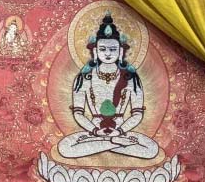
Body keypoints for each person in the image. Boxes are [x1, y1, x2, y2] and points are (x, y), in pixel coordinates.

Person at [57, 12, 159, 159]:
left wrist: (120, 131)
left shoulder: (130, 77)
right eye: (103, 49)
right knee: (65, 147)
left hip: (121, 131)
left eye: (112, 49)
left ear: (121, 51)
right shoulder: (85, 77)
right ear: (95, 51)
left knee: (151, 149)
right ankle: (113, 144)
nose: (108, 53)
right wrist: (95, 130)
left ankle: (108, 143)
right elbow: (78, 113)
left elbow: (137, 114)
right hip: (94, 132)